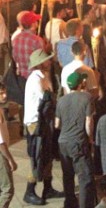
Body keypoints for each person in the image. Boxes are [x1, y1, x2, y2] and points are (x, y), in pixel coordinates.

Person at [23, 48, 61, 206]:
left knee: (47, 156)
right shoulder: (36, 79)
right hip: (36, 124)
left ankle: (48, 187)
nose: (50, 61)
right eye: (47, 60)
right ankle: (29, 192)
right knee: (37, 157)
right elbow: (45, 102)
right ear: (40, 64)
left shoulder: (43, 77)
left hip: (44, 122)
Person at [56, 70, 97, 208]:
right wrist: (90, 139)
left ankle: (69, 203)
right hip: (78, 142)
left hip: (63, 143)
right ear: (81, 84)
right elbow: (88, 122)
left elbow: (57, 124)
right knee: (85, 178)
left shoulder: (61, 100)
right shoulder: (87, 97)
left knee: (68, 176)